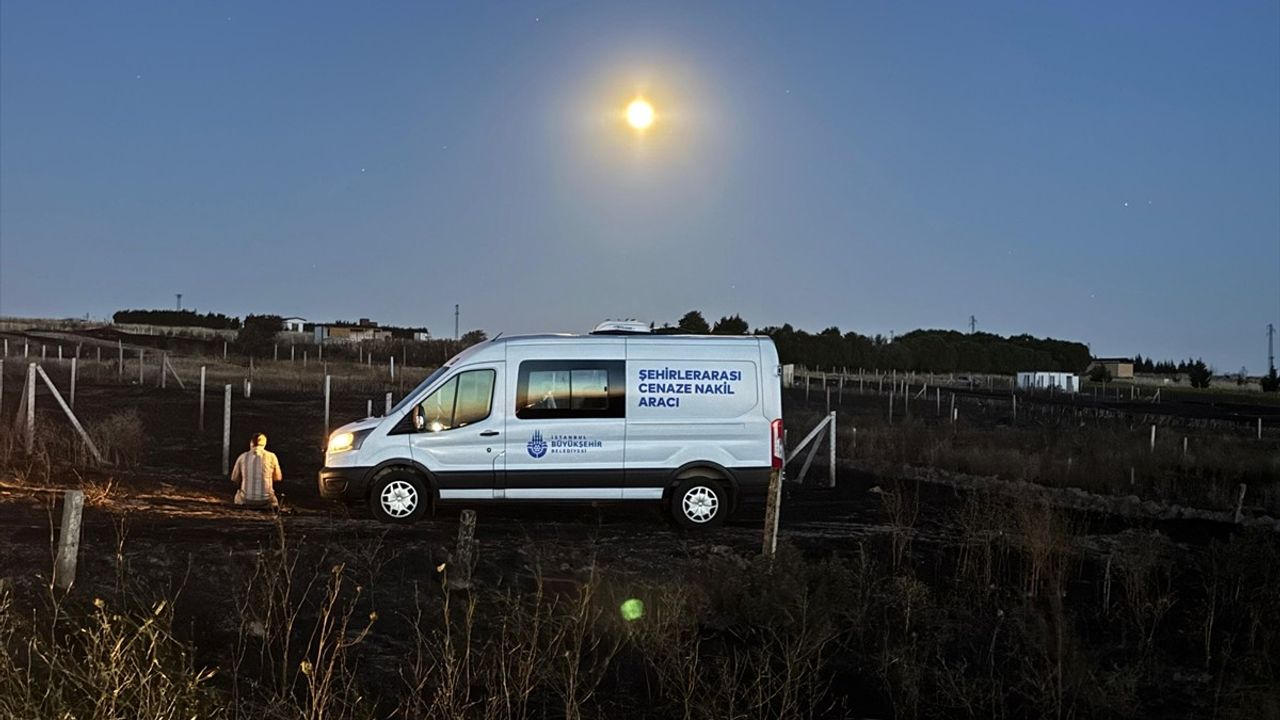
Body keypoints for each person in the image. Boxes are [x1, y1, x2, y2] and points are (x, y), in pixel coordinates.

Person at [231, 432, 282, 508]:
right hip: (266, 500)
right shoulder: (272, 456)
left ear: (251, 443)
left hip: (246, 500)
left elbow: (234, 478)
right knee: (273, 500)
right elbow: (278, 478)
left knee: (238, 495)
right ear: (265, 444)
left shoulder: (242, 457)